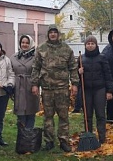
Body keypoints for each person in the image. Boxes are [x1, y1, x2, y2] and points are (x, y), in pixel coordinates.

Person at [30, 25, 79, 153]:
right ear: (48, 34)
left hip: (62, 88)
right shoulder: (41, 49)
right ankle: (49, 141)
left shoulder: (66, 49)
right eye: (50, 32)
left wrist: (74, 84)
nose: (53, 34)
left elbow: (73, 67)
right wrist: (34, 84)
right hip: (47, 88)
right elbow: (36, 67)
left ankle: (63, 140)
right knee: (48, 116)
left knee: (63, 116)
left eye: (55, 32)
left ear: (58, 34)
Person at [79, 36, 113, 143]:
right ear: (85, 46)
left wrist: (109, 91)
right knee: (87, 115)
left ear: (96, 45)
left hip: (100, 89)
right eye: (88, 44)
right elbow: (77, 77)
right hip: (87, 90)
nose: (90, 45)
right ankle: (89, 137)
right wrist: (78, 71)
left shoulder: (102, 58)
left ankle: (102, 138)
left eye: (92, 44)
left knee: (100, 115)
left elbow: (107, 74)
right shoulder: (81, 59)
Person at [11, 35, 40, 130]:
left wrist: (36, 84)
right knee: (20, 111)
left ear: (31, 44)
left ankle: (29, 134)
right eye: (23, 42)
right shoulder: (14, 57)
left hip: (31, 86)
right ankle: (22, 135)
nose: (25, 45)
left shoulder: (36, 57)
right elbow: (10, 71)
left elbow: (39, 71)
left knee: (31, 111)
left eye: (27, 43)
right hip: (18, 86)